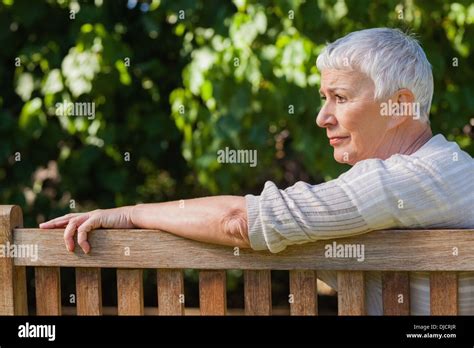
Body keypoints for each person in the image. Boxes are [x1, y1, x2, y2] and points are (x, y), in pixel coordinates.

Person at [40, 28, 474, 315]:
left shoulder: (403, 182)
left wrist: (131, 214)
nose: (322, 117)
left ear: (399, 105)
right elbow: (260, 214)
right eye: (324, 98)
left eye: (340, 97)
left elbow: (241, 223)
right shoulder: (448, 168)